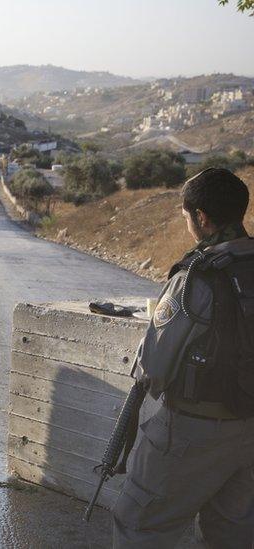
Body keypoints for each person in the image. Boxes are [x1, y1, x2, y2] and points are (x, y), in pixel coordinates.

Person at [112, 167, 254, 548]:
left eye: (186, 214)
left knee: (140, 526)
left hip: (193, 428)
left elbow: (153, 369)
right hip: (249, 432)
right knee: (231, 537)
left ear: (201, 218)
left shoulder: (196, 277)